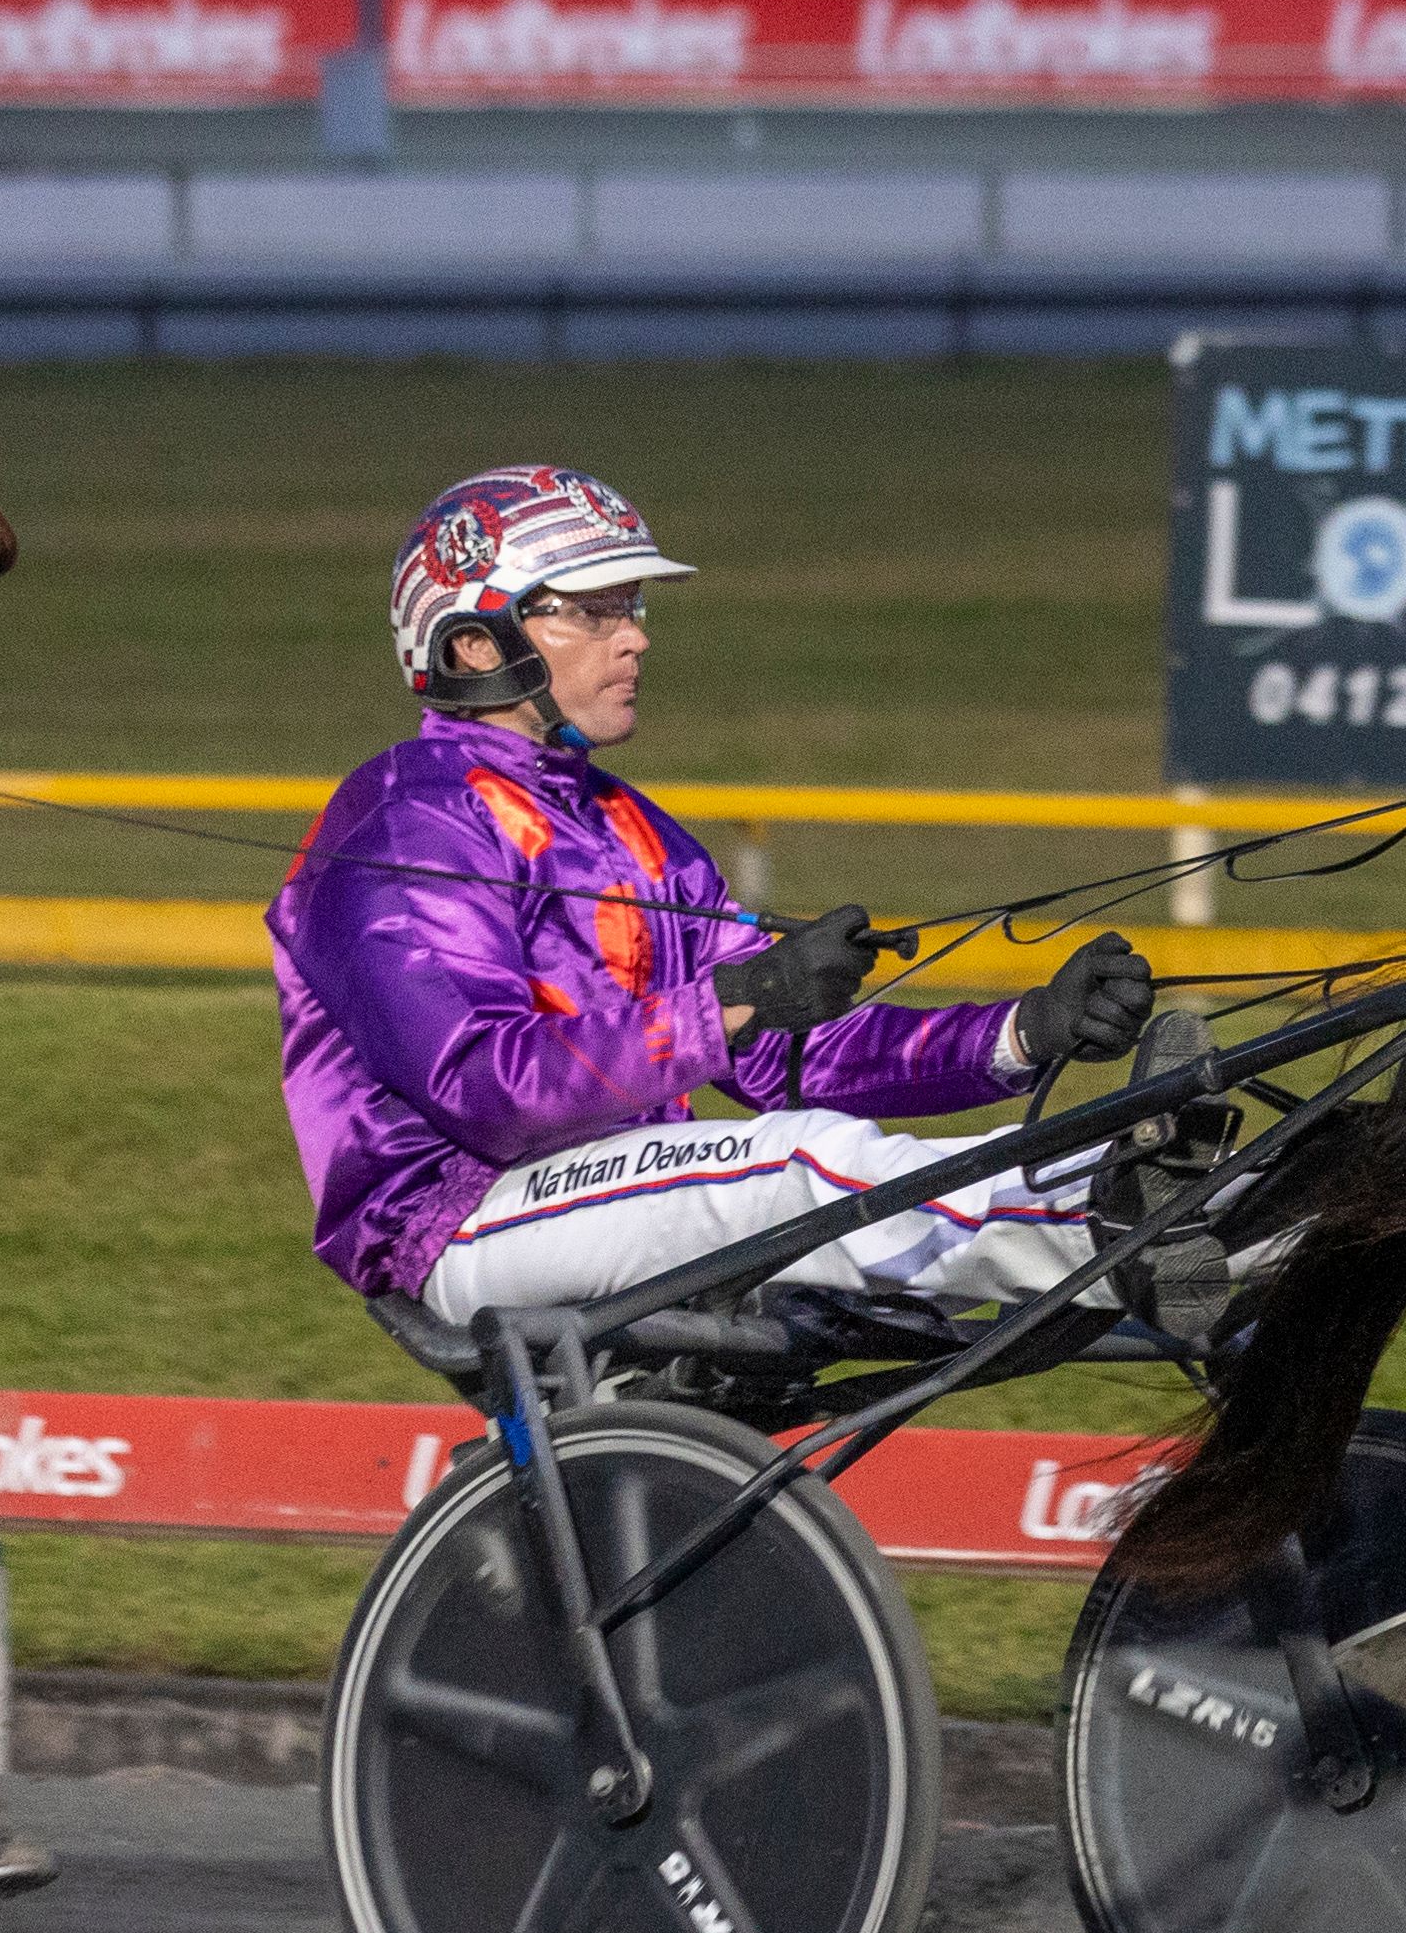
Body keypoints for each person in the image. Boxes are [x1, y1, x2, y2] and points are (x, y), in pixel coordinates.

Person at [273, 465, 1178, 1328]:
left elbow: (788, 1060)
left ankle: (1216, 1207)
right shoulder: (407, 821)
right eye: (593, 614)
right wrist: (733, 1003)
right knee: (801, 1165)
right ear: (476, 646)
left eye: (632, 607)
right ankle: (1128, 1237)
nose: (635, 637)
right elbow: (487, 1087)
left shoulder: (636, 830)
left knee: (834, 1158)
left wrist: (1020, 1034)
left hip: (617, 1196)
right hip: (457, 1221)